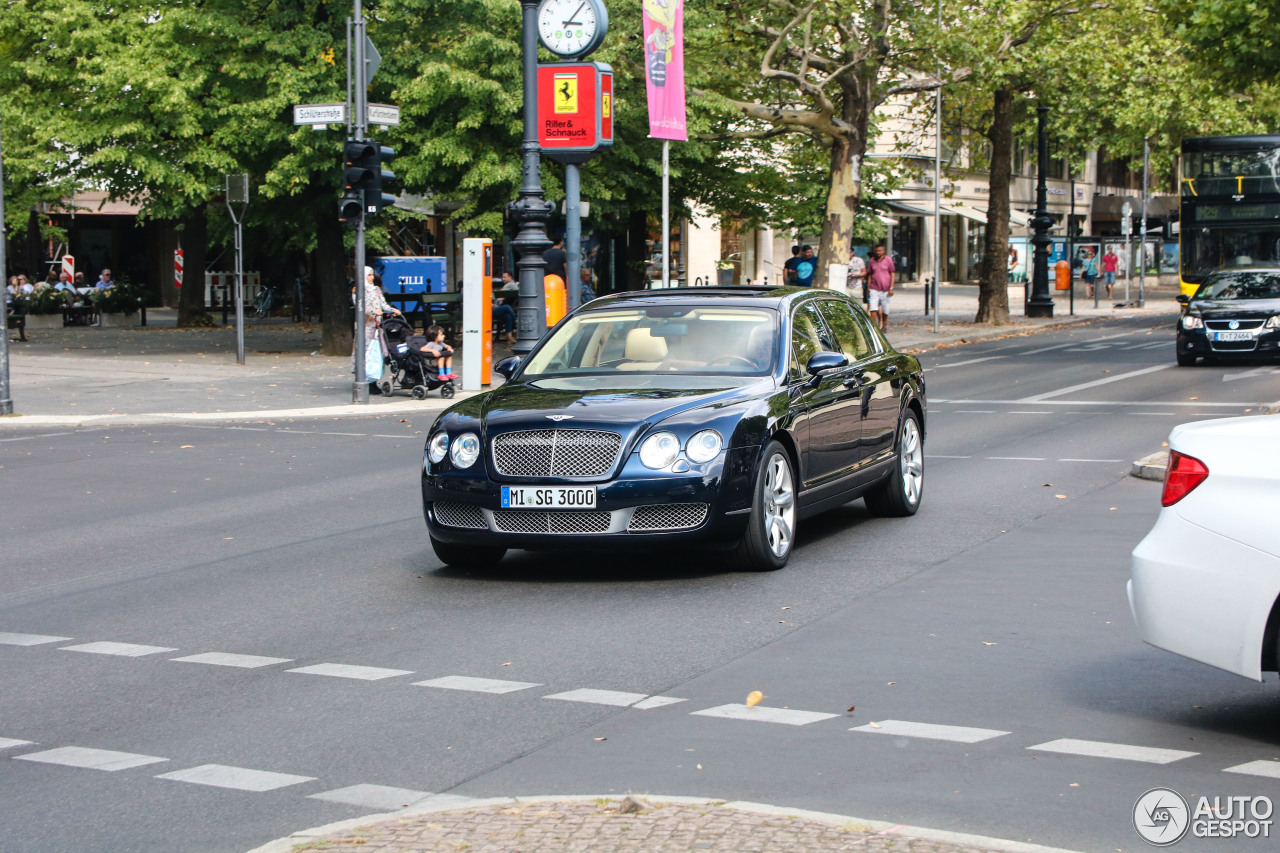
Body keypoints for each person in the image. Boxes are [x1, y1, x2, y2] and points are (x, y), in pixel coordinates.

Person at [866, 244, 895, 331]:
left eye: (880, 251)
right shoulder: (872, 260)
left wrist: (891, 287)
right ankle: (874, 326)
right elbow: (870, 274)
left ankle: (884, 325)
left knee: (885, 309)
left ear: (883, 251)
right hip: (874, 288)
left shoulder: (888, 260)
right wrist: (868, 288)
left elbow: (892, 273)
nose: (878, 253)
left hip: (885, 289)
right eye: (876, 251)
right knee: (873, 308)